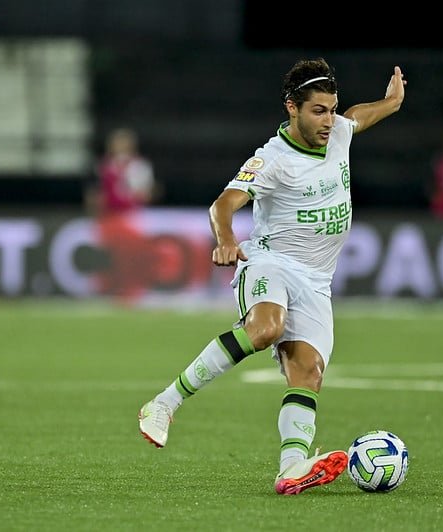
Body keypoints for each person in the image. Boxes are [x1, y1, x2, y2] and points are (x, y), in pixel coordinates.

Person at [138, 58, 406, 495]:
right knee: (265, 328)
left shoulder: (338, 130)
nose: (328, 120)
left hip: (317, 281)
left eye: (331, 108)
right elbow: (222, 204)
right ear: (292, 108)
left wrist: (391, 102)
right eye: (318, 110)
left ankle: (291, 469)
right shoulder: (273, 160)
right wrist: (225, 239)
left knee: (308, 372)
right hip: (270, 262)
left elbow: (357, 117)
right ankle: (164, 404)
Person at [86, 128, 160, 302]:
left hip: (131, 217)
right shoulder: (104, 165)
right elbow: (95, 193)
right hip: (109, 217)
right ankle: (110, 288)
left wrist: (139, 195)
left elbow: (148, 192)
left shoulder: (139, 166)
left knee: (130, 254)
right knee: (111, 255)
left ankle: (132, 289)